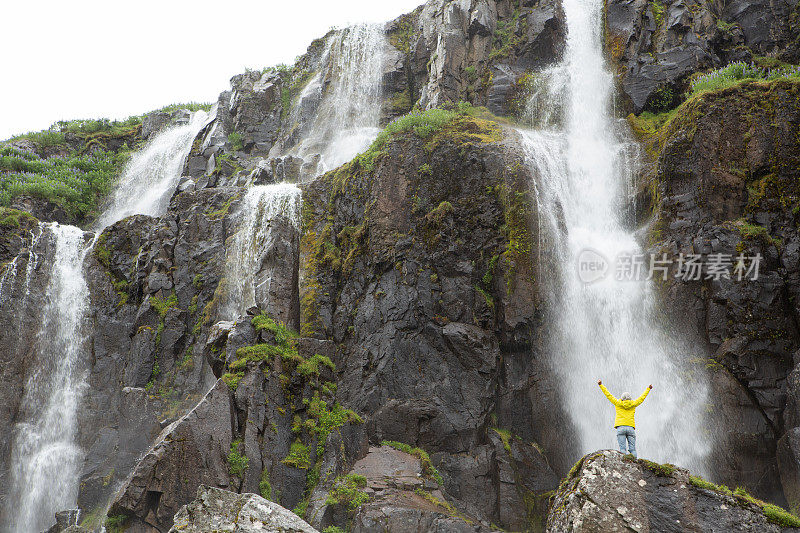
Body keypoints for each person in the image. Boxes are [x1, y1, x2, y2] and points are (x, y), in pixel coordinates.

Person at [597, 380, 652, 458]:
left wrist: (601, 385)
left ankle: (624, 464)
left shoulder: (617, 403)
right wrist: (648, 389)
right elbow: (642, 398)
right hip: (630, 428)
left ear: (622, 398)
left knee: (622, 449)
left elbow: (608, 395)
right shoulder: (634, 404)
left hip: (621, 427)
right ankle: (635, 464)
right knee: (632, 449)